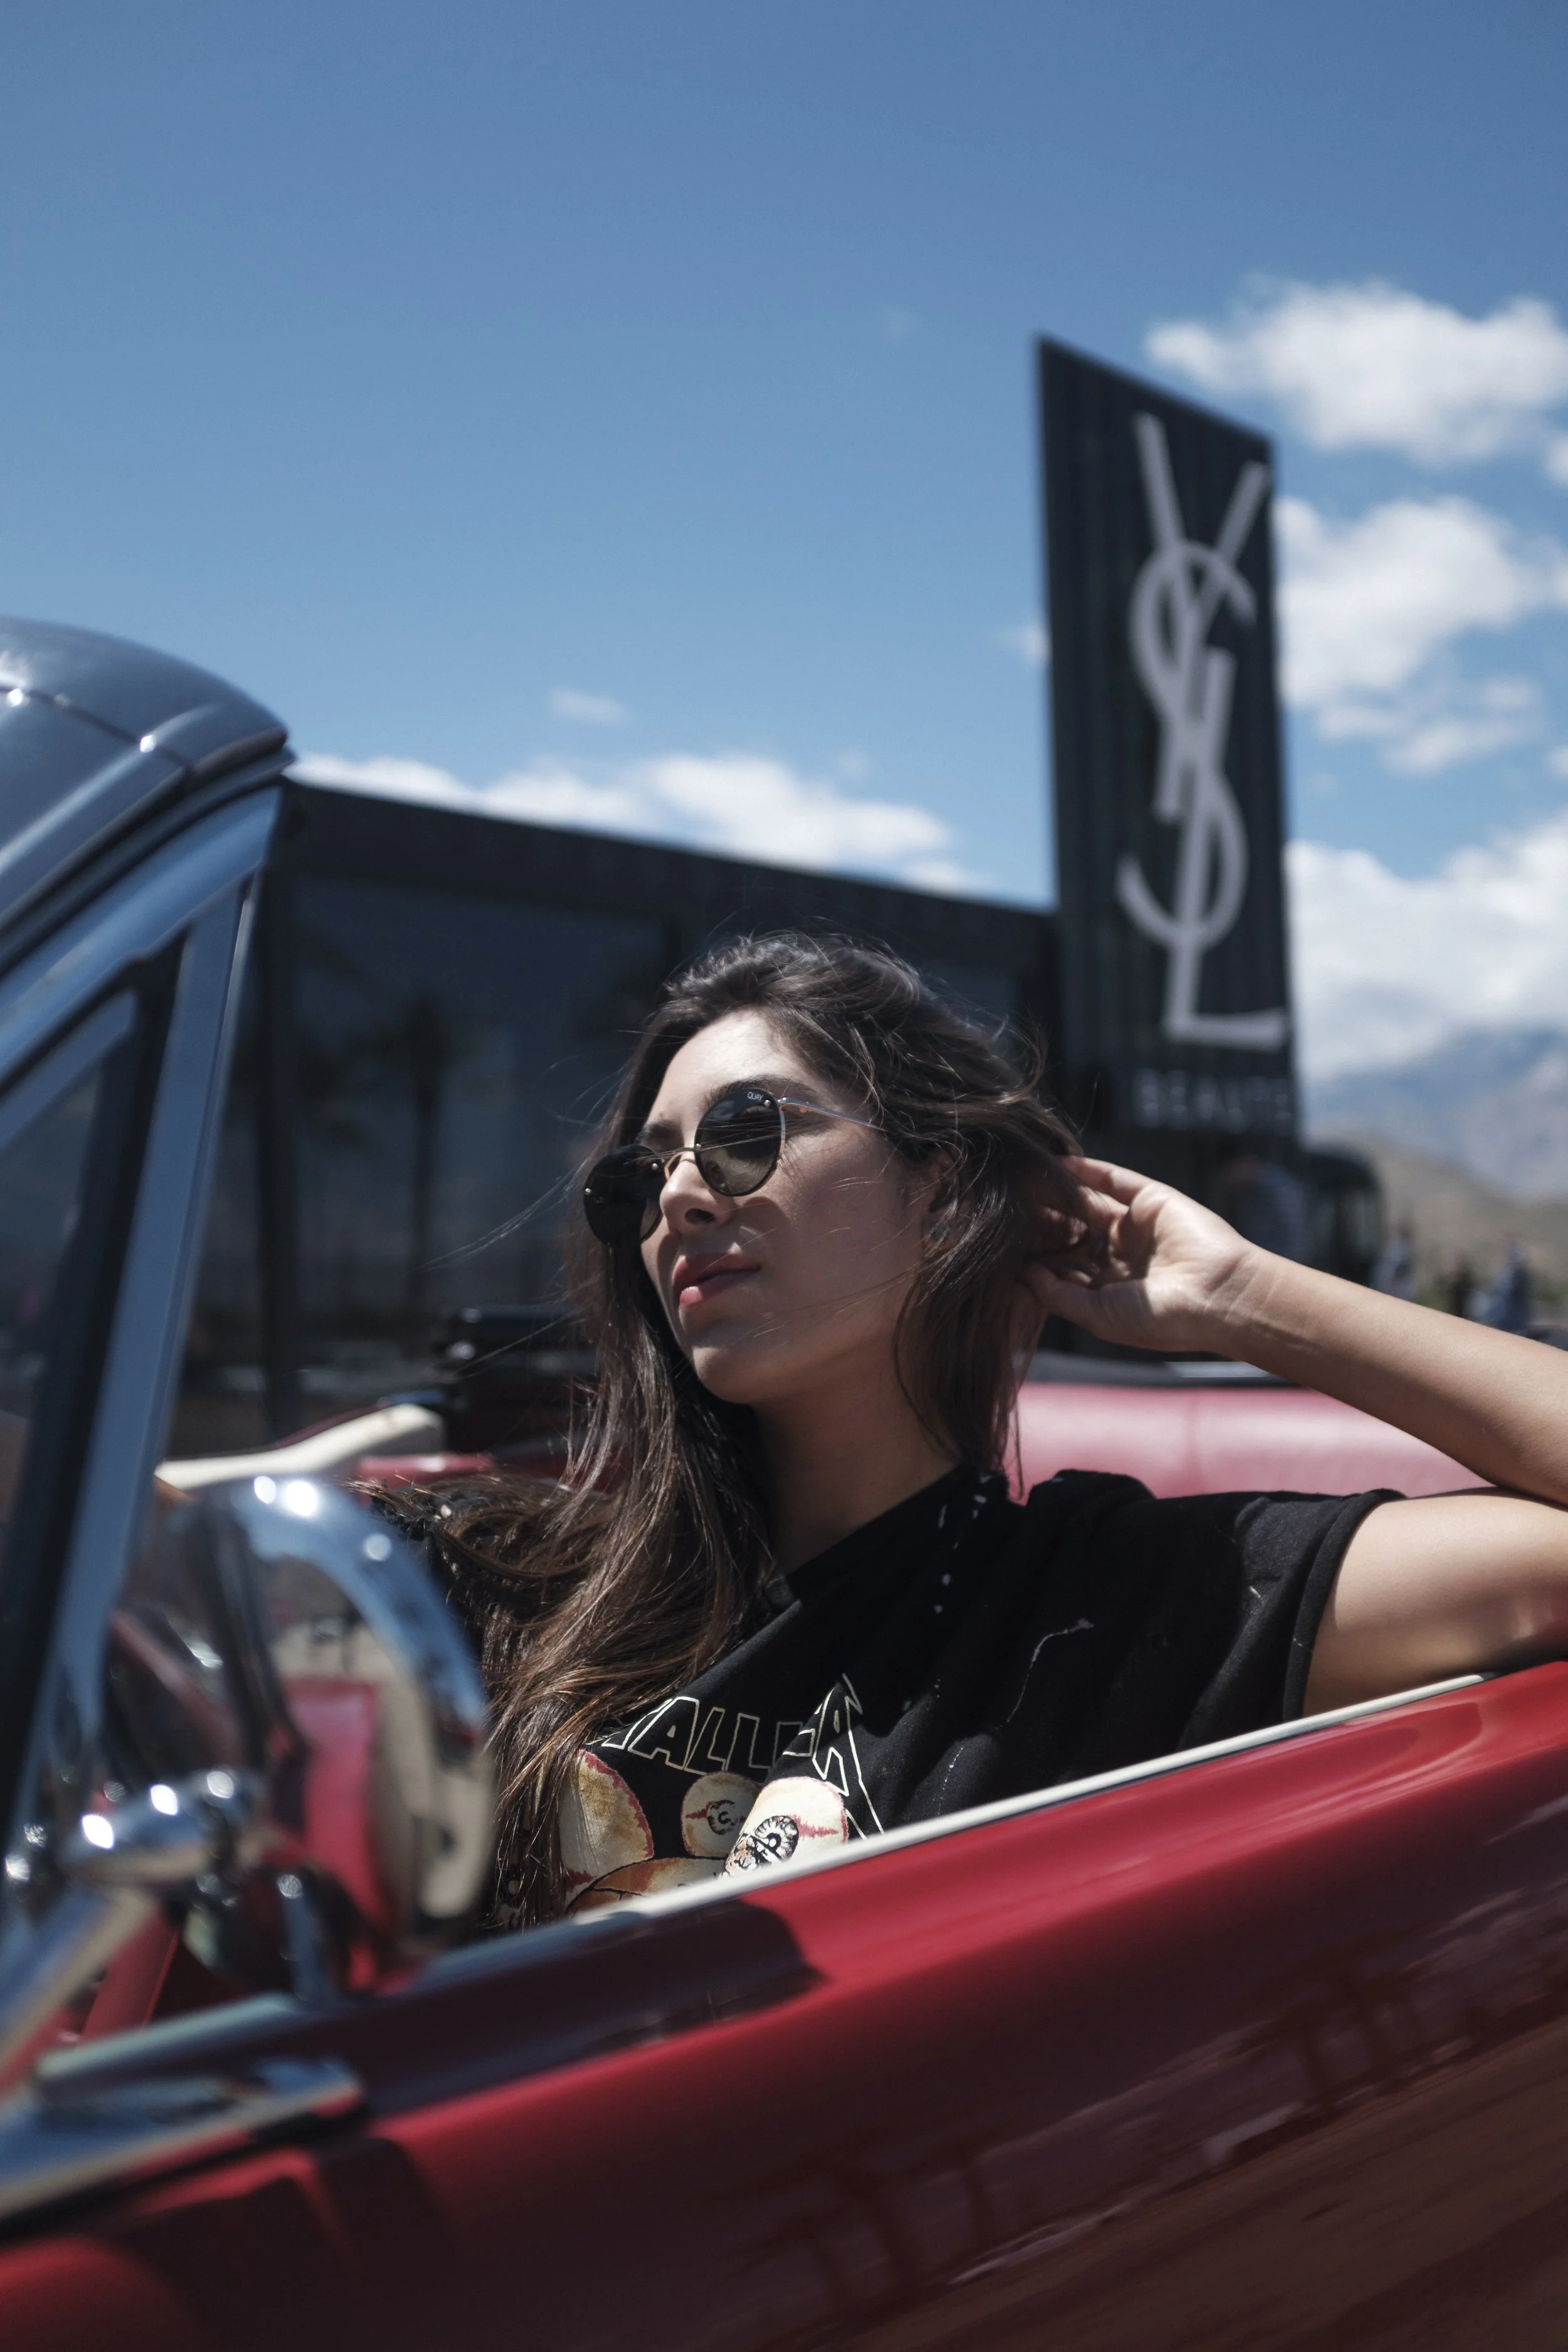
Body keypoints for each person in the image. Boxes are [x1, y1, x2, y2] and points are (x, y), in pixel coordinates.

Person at [379, 935, 1568, 1930]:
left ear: (939, 1185)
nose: (682, 1196)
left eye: (747, 1131)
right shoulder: (495, 1578)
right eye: (642, 1180)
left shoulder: (1099, 1603)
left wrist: (1241, 1296)